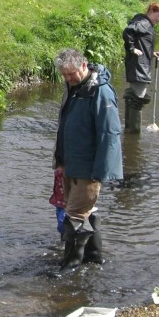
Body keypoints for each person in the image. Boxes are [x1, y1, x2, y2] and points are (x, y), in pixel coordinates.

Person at [53, 48, 122, 271]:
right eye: (64, 75)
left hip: (88, 168)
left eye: (71, 73)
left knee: (73, 216)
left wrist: (101, 171)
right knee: (87, 212)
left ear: (84, 66)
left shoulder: (101, 92)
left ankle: (70, 264)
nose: (68, 78)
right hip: (70, 164)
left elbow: (109, 134)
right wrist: (59, 161)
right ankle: (94, 256)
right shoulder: (73, 88)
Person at [121, 2, 159, 134]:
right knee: (137, 99)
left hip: (139, 66)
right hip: (139, 68)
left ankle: (129, 130)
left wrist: (151, 53)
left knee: (133, 97)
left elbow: (141, 43)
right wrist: (132, 48)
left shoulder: (145, 24)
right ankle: (134, 133)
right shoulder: (144, 23)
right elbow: (128, 32)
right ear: (151, 10)